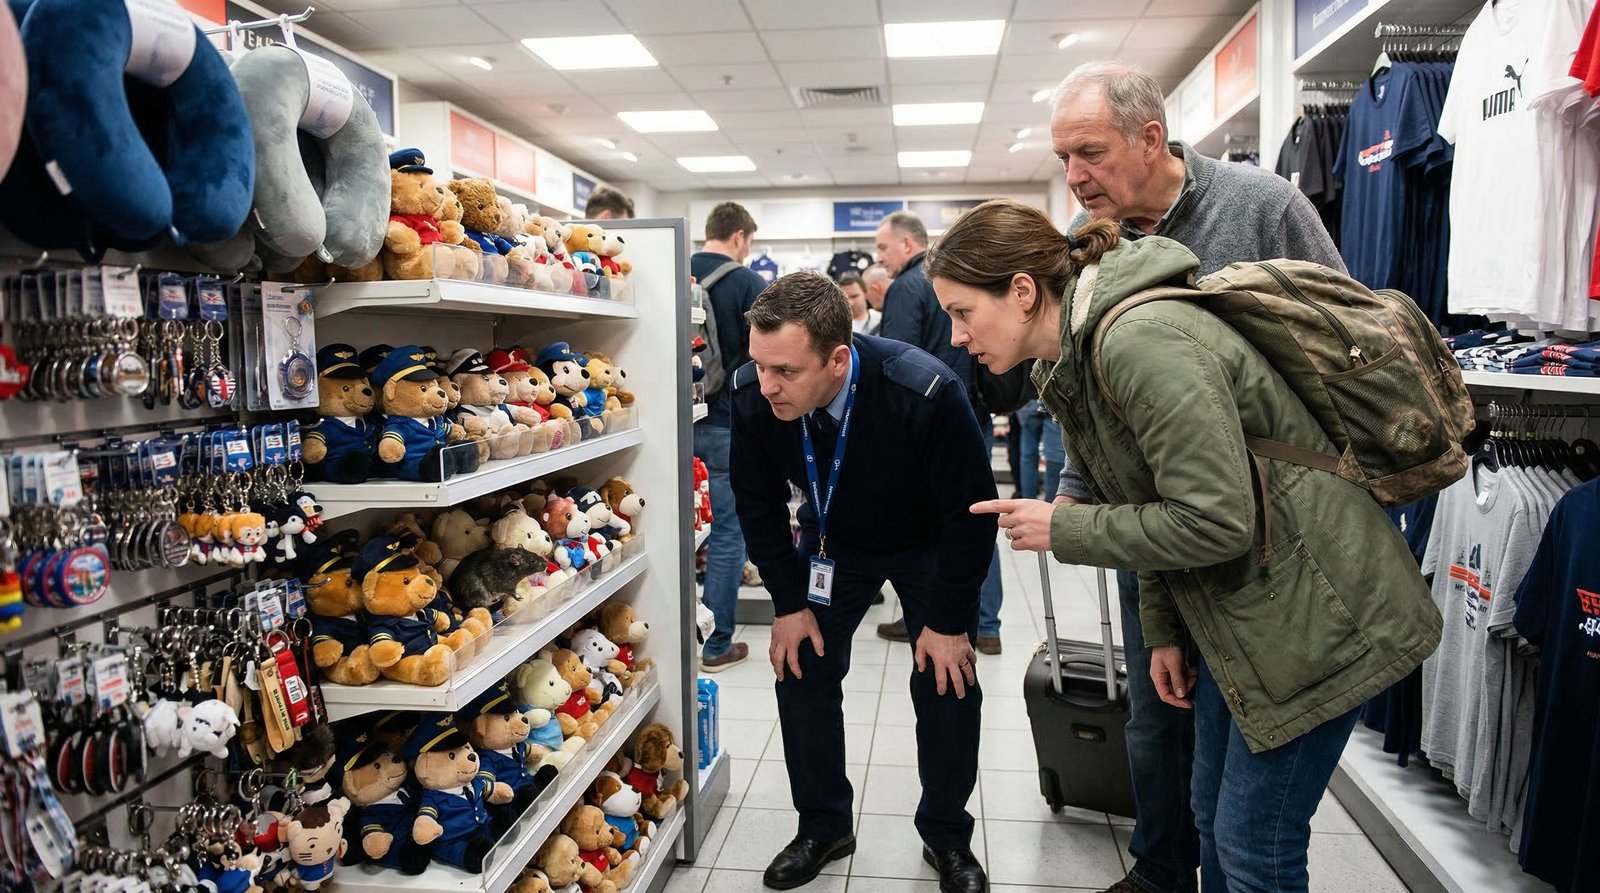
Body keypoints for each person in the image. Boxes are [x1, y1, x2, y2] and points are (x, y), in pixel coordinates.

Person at [930, 198, 1441, 893]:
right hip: (1245, 608)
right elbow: (1151, 497)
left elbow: (1213, 519)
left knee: (1255, 843)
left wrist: (1066, 527)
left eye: (963, 312)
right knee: (1208, 814)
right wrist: (1165, 630)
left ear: (1022, 292)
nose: (958, 336)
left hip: (1320, 611)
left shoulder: (1139, 340)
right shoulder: (1069, 364)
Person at [1037, 61, 1352, 893]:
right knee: (1156, 716)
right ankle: (1161, 869)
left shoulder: (1263, 207)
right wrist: (1077, 487)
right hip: (1166, 534)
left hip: (1268, 546)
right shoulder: (1091, 242)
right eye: (1063, 156)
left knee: (1242, 780)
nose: (1075, 177)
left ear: (1151, 138)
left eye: (1090, 153)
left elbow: (1343, 343)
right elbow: (1101, 395)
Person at [729, 271, 994, 893]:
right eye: (759, 365)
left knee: (948, 682)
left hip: (928, 542)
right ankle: (824, 825)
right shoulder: (753, 394)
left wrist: (951, 621)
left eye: (786, 372)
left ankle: (947, 836)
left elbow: (971, 513)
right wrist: (788, 603)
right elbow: (757, 504)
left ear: (839, 358)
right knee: (801, 668)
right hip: (834, 545)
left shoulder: (923, 389)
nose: (768, 386)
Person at [875, 210, 1005, 654]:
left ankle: (928, 613)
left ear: (907, 245)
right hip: (972, 412)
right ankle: (985, 622)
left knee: (931, 524)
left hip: (925, 425)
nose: (880, 257)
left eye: (883, 247)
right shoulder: (954, 283)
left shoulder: (905, 290)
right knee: (977, 514)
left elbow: (892, 363)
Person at [692, 201, 768, 672]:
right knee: (725, 533)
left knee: (679, 533)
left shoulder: (674, 270)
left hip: (677, 424)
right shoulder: (747, 283)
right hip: (725, 423)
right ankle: (716, 643)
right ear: (739, 237)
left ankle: (676, 635)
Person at [1013, 399, 1065, 501]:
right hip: (1051, 403)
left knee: (1028, 456)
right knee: (1055, 454)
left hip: (1028, 404)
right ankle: (1052, 504)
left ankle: (1028, 501)